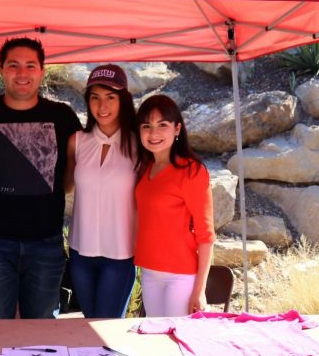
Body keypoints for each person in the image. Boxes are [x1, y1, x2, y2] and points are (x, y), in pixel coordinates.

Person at [0, 37, 81, 319]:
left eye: (30, 66)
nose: (22, 73)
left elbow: (68, 182)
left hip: (45, 245)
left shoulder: (63, 117)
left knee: (42, 336)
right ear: (1, 69)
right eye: (14, 65)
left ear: (42, 71)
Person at [64, 64, 138, 318]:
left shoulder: (139, 144)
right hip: (80, 252)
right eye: (95, 97)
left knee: (106, 328)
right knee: (89, 325)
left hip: (120, 253)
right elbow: (65, 187)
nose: (102, 106)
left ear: (123, 100)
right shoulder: (77, 141)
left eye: (110, 97)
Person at [134, 95, 214, 317]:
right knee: (155, 339)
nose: (153, 133)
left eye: (162, 125)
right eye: (146, 126)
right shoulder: (144, 168)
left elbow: (206, 236)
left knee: (175, 343)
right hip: (149, 272)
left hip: (180, 276)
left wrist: (200, 290)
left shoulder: (192, 172)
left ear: (177, 129)